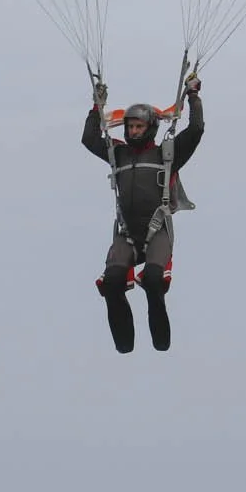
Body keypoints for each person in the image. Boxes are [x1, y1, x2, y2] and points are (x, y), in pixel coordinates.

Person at [85, 71, 203, 353]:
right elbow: (89, 139)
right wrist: (95, 108)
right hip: (126, 234)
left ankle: (161, 341)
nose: (133, 131)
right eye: (130, 126)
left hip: (155, 231)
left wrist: (193, 95)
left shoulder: (166, 155)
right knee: (112, 282)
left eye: (139, 127)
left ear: (149, 128)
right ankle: (124, 344)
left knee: (152, 279)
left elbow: (196, 129)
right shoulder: (119, 154)